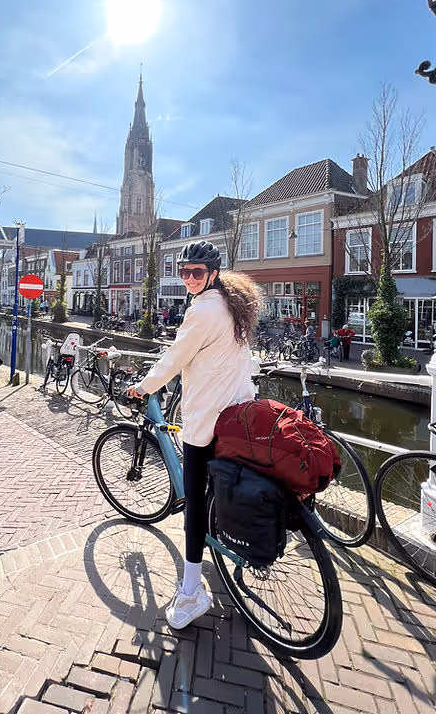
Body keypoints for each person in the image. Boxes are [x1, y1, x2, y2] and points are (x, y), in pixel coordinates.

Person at [126, 240, 261, 630]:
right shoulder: (231, 305)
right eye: (184, 271)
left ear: (213, 274)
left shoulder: (203, 309)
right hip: (238, 412)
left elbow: (174, 357)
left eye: (196, 273)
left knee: (194, 504)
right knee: (215, 487)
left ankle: (190, 591)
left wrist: (144, 386)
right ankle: (219, 547)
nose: (188, 278)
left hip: (208, 419)